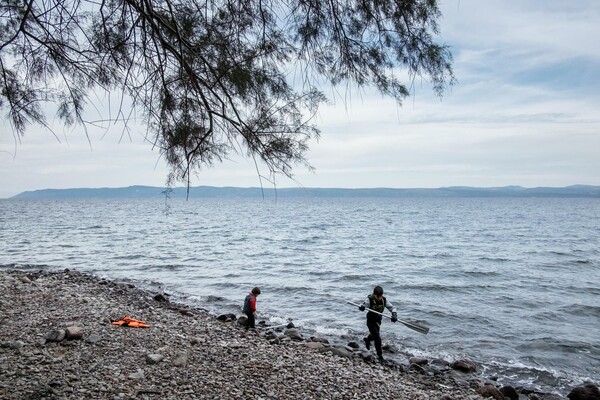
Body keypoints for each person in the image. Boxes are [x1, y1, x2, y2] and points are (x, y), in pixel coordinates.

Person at [358, 285, 397, 363]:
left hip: (378, 321)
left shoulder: (384, 300)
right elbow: (362, 305)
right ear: (374, 294)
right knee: (377, 339)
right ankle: (380, 356)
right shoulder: (370, 300)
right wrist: (361, 307)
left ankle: (367, 340)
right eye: (377, 296)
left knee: (373, 336)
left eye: (380, 296)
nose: (379, 298)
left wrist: (394, 315)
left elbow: (392, 308)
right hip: (370, 321)